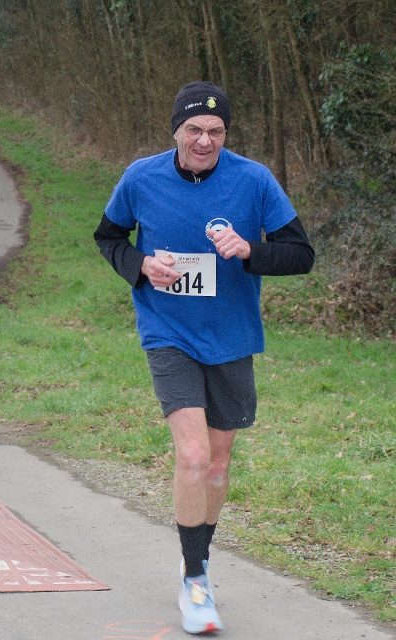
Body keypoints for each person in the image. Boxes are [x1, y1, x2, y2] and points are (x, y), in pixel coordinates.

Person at [94, 81, 315, 635]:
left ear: (225, 134)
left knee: (217, 465)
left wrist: (250, 250)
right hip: (167, 331)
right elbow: (109, 237)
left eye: (215, 131)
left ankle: (200, 559)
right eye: (193, 129)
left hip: (231, 337)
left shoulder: (254, 180)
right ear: (176, 130)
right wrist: (141, 266)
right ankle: (195, 581)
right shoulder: (141, 177)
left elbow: (301, 254)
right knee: (192, 457)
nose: (204, 141)